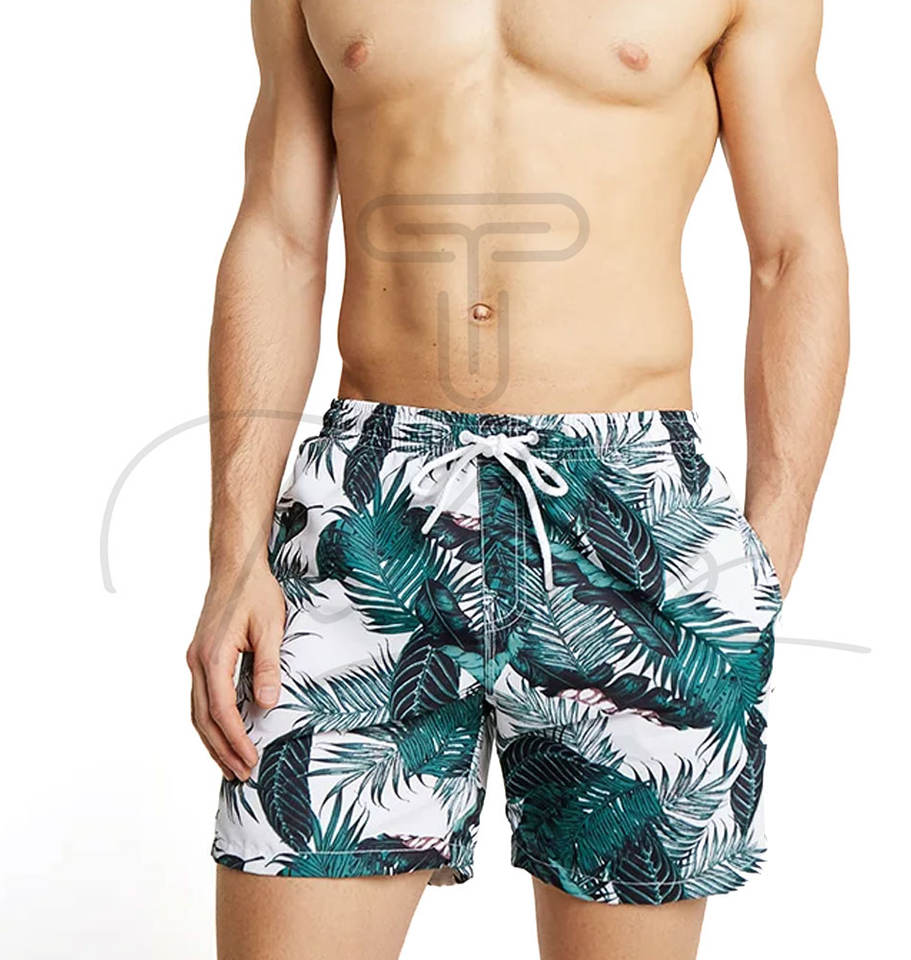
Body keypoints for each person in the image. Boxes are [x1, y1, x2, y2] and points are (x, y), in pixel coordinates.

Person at [186, 1, 848, 957]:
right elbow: (280, 237)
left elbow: (795, 252)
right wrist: (233, 557)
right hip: (373, 505)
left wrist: (764, 558)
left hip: (629, 509)